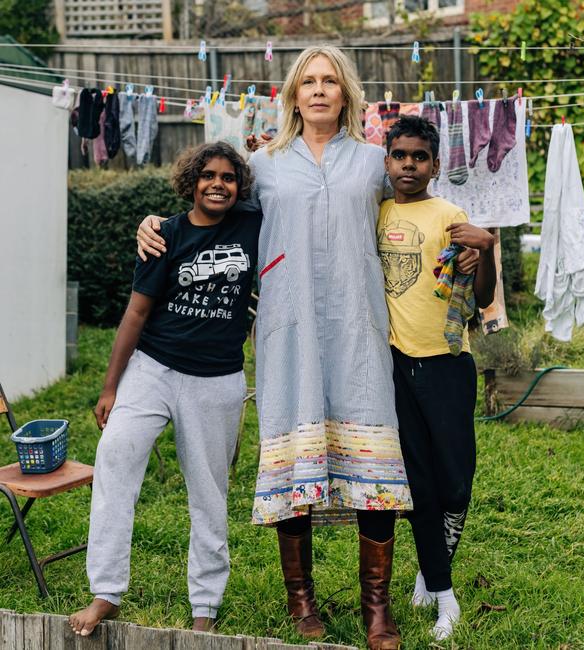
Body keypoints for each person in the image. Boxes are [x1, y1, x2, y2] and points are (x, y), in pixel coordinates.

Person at [137, 45, 419, 650]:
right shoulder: (263, 167)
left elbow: (421, 208)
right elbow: (208, 213)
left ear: (346, 93)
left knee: (371, 462)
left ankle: (377, 607)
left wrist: (472, 240)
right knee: (294, 453)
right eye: (307, 81)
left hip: (357, 330)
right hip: (287, 331)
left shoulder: (374, 163)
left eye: (330, 81)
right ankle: (301, 598)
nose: (319, 90)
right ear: (292, 94)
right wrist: (153, 222)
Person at [69, 142, 262, 637]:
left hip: (217, 380)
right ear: (190, 182)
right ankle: (105, 592)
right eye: (207, 176)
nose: (217, 183)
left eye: (228, 177)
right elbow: (136, 312)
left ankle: (205, 607)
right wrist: (111, 386)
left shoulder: (252, 224)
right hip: (152, 370)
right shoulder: (164, 235)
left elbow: (288, 184)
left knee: (209, 493)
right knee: (114, 458)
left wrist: (260, 151)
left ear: (240, 186)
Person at [378, 115, 496, 640]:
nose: (408, 165)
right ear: (387, 162)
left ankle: (431, 568)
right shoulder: (375, 213)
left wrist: (485, 248)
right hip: (395, 365)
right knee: (418, 484)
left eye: (419, 157)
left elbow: (480, 295)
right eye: (400, 156)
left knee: (455, 482)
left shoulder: (450, 215)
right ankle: (443, 596)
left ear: (435, 164)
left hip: (447, 362)